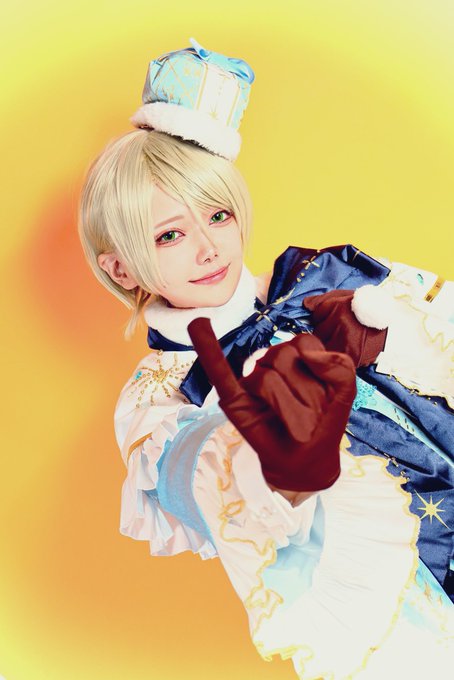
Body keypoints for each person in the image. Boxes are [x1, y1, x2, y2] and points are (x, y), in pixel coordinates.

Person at [78, 38, 453, 678]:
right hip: (411, 584)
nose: (208, 248)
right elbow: (193, 479)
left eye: (218, 215)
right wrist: (281, 469)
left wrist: (386, 336)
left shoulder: (322, 277)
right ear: (119, 267)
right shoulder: (165, 392)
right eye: (169, 234)